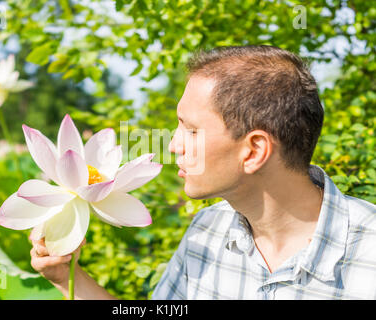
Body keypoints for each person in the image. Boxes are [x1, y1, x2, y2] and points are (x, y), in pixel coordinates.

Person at [30, 45, 376, 300]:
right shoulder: (206, 230)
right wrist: (66, 275)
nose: (173, 145)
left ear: (254, 150)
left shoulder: (368, 255)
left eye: (191, 130)